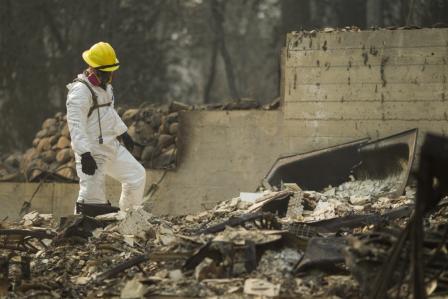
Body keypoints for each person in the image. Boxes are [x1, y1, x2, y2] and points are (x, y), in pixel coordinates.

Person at [66, 42, 146, 216]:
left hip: (111, 147)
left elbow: (108, 112)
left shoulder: (106, 88)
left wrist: (122, 132)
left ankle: (128, 219)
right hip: (92, 153)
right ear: (93, 68)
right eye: (105, 72)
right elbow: (75, 126)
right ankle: (76, 235)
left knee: (137, 176)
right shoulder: (80, 92)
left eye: (111, 72)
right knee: (91, 203)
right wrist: (84, 154)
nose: (109, 76)